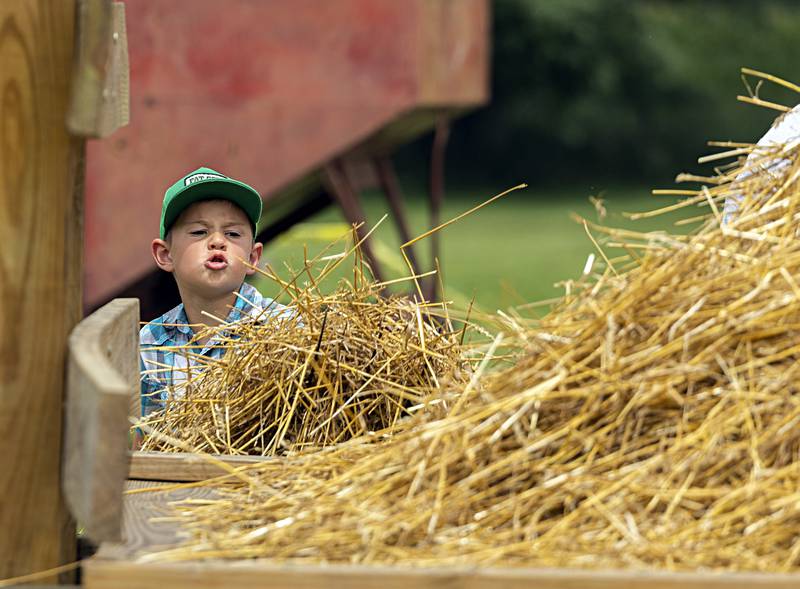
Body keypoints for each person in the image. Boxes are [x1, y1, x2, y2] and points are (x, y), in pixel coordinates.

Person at [138, 166, 291, 417]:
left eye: (232, 233)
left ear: (253, 257)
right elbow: (148, 439)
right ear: (165, 255)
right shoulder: (153, 342)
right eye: (199, 232)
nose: (218, 241)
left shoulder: (284, 329)